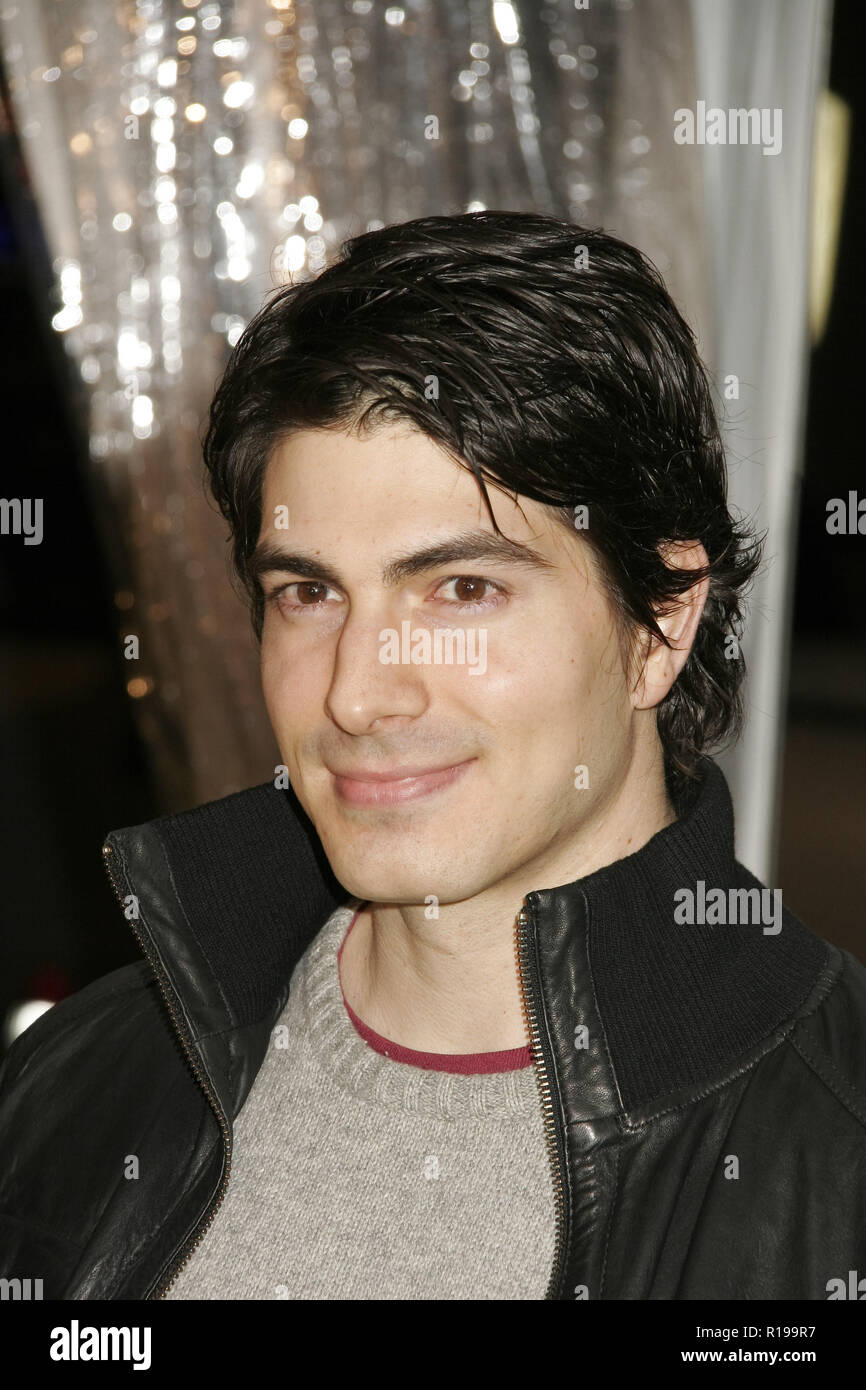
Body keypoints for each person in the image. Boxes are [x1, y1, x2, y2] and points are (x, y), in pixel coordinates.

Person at [1, 212, 864, 1301]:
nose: (357, 690)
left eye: (461, 588)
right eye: (307, 593)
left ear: (661, 623)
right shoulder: (84, 1078)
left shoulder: (833, 1157)